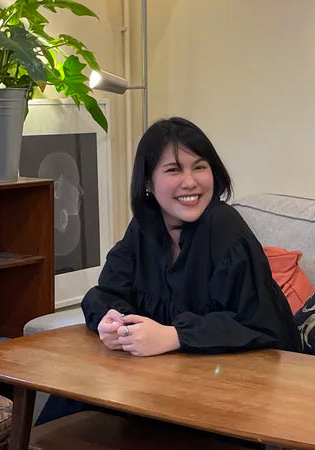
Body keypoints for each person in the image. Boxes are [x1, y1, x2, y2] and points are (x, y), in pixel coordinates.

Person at [82, 116, 300, 356]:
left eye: (199, 167)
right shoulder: (145, 226)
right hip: (173, 368)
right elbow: (106, 293)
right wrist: (114, 323)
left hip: (255, 369)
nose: (190, 182)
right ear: (148, 183)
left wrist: (175, 336)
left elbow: (258, 325)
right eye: (173, 170)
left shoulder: (224, 225)